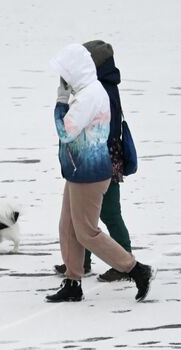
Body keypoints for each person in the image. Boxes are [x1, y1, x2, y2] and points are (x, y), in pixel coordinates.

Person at [45, 44, 152, 303]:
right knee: (69, 227)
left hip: (90, 174)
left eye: (65, 75)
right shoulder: (88, 92)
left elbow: (66, 131)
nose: (63, 80)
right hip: (78, 170)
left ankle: (136, 269)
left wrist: (61, 102)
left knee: (87, 232)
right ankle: (73, 283)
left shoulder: (90, 96)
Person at [53, 40, 133, 282]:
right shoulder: (101, 86)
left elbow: (91, 129)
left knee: (108, 213)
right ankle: (81, 263)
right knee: (85, 216)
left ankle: (127, 262)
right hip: (101, 159)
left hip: (102, 160)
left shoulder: (101, 89)